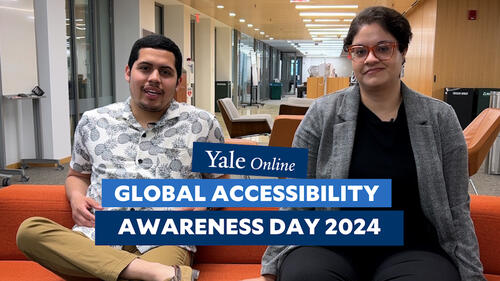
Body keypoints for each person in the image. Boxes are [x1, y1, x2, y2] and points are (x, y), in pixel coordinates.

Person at [244, 6, 485, 281]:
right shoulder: (322, 114)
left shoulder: (440, 118)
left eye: (383, 48)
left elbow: (457, 209)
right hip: (330, 244)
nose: (371, 58)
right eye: (360, 51)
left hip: (412, 247)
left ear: (403, 51)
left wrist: (472, 275)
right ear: (353, 56)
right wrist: (270, 272)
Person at [16, 34, 224, 281]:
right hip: (97, 233)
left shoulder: (202, 123)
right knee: (29, 231)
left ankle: (115, 271)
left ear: (178, 81)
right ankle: (155, 274)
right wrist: (76, 198)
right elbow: (77, 175)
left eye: (165, 72)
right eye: (145, 68)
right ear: (128, 72)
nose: (154, 78)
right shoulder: (93, 121)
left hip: (164, 237)